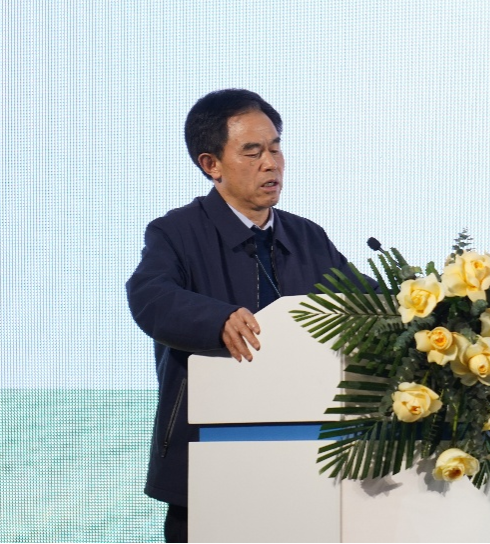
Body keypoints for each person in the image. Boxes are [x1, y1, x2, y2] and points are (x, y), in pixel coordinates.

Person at [125, 89, 367, 543]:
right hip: (206, 463)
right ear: (211, 164)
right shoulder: (176, 232)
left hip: (306, 470)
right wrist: (216, 320)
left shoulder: (308, 237)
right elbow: (150, 296)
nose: (271, 164)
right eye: (252, 152)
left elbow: (364, 302)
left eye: (275, 148)